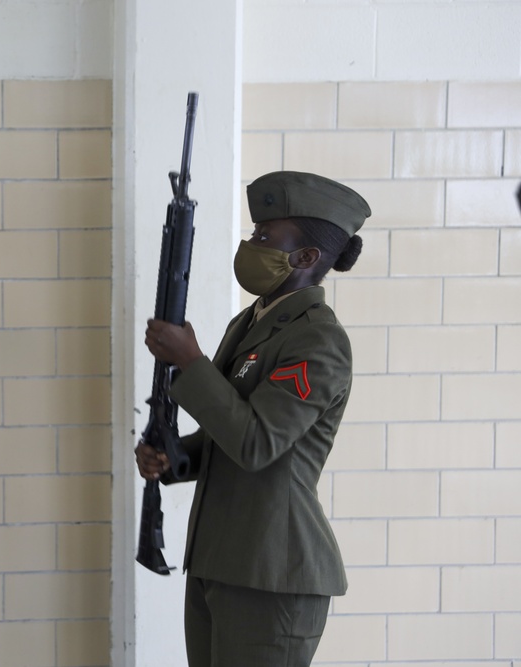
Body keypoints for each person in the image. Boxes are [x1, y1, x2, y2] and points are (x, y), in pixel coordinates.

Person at [135, 170, 369, 667]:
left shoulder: (318, 340)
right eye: (254, 233)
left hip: (272, 574)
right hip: (221, 562)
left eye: (266, 237)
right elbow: (230, 431)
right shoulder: (252, 321)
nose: (251, 243)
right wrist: (174, 458)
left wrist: (191, 362)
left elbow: (258, 442)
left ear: (306, 258)